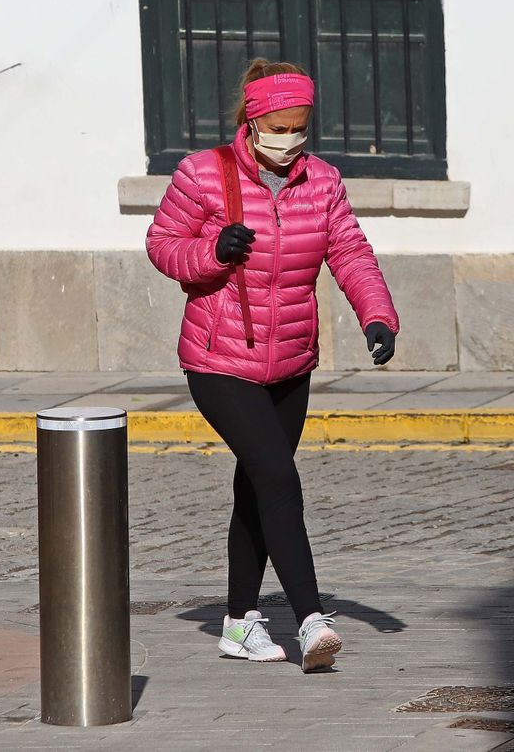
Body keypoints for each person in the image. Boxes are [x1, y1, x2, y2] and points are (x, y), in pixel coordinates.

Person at [145, 59, 400, 672]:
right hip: (219, 360)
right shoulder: (205, 175)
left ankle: (238, 623)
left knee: (256, 486)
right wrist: (212, 251)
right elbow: (161, 245)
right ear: (253, 123)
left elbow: (350, 252)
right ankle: (311, 620)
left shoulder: (323, 182)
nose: (290, 141)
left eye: (299, 129)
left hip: (290, 362)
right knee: (279, 480)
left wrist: (378, 316)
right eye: (279, 128)